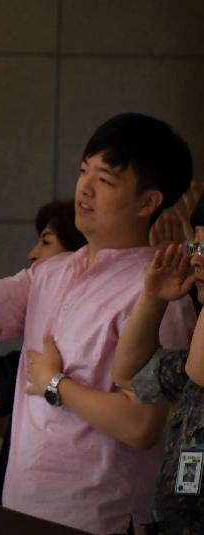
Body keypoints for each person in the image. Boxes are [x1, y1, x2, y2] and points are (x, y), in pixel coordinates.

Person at [0, 113, 196, 532]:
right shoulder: (51, 272)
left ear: (148, 202)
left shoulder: (160, 288)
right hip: (20, 509)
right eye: (84, 171)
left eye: (106, 180)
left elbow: (141, 425)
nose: (85, 188)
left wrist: (54, 385)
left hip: (99, 517)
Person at [0, 199, 86, 504]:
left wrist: (52, 381)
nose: (32, 253)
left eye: (46, 241)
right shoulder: (36, 346)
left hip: (67, 503)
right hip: (15, 494)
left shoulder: (76, 342)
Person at [111, 196, 204, 533]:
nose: (195, 259)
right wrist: (153, 298)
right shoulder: (192, 367)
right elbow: (129, 376)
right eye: (196, 247)